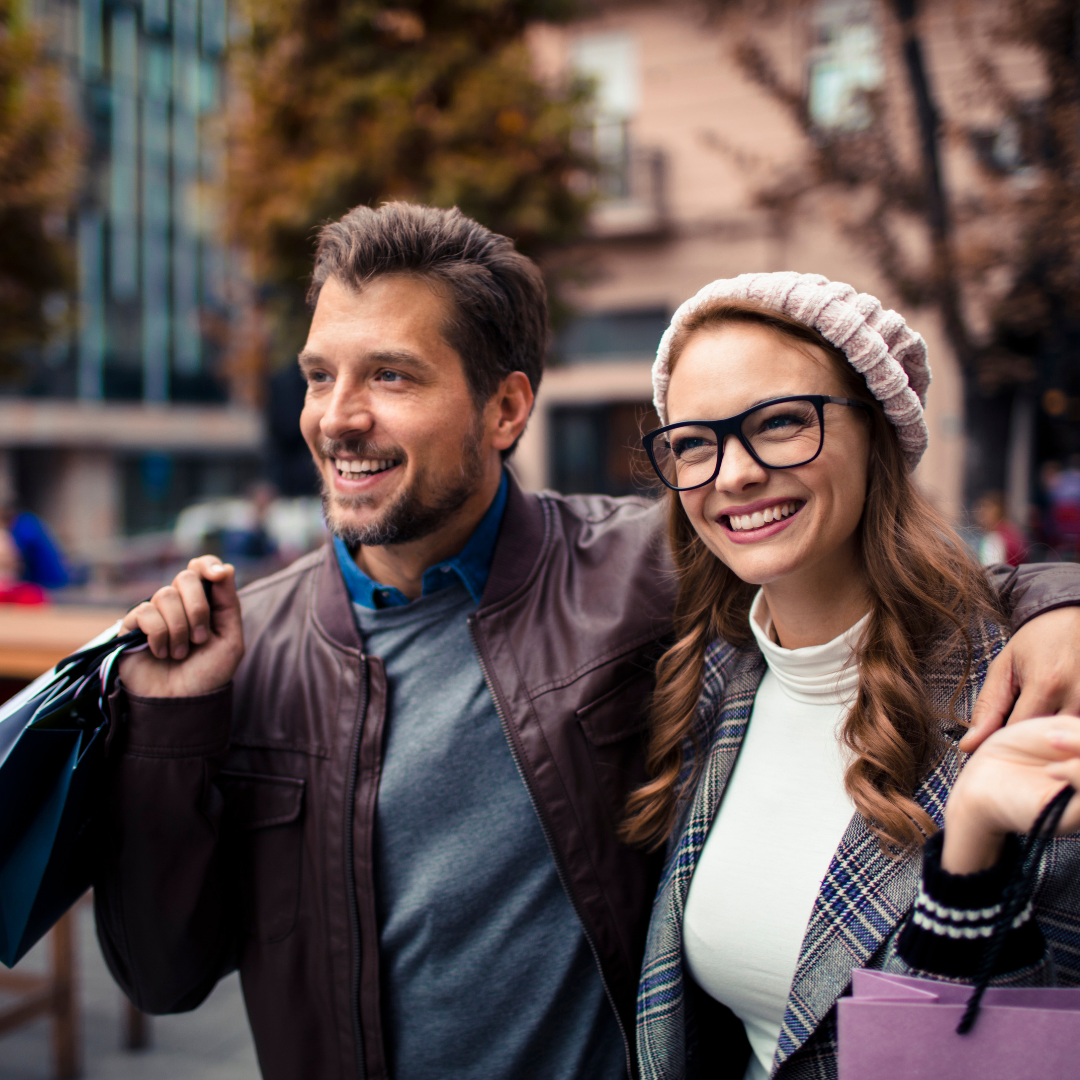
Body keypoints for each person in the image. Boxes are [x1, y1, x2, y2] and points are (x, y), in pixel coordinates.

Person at [94, 212, 1080, 1080]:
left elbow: (884, 579)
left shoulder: (641, 574)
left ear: (508, 409)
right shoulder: (240, 647)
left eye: (390, 375)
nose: (338, 417)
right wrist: (168, 729)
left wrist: (1057, 605)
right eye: (320, 376)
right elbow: (163, 977)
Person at [629, 274, 1080, 1080]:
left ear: (878, 431)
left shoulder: (1026, 692)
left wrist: (970, 855)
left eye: (779, 423)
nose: (733, 473)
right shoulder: (711, 686)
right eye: (694, 441)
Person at [974, 490, 1027, 567]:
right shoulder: (1012, 531)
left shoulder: (994, 538)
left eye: (984, 510)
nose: (979, 514)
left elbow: (991, 571)